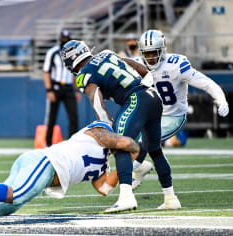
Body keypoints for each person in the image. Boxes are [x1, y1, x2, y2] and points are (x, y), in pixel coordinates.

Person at [60, 40, 180, 212]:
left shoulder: (84, 74)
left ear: (72, 60)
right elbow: (140, 68)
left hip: (136, 98)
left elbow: (97, 102)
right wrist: (145, 88)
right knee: (155, 150)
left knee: (120, 146)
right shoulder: (106, 54)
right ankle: (170, 198)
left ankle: (126, 197)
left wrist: (107, 127)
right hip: (153, 97)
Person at [0, 120, 140, 217]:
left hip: (43, 168)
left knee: (2, 209)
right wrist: (137, 151)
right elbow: (127, 144)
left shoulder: (103, 164)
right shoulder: (98, 132)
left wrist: (128, 170)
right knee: (17, 195)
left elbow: (104, 188)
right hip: (46, 162)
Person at [131, 29, 229, 189]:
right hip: (149, 116)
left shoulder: (177, 65)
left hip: (172, 116)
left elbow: (206, 83)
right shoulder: (136, 65)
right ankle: (144, 172)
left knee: (145, 142)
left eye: (154, 53)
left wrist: (220, 99)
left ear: (162, 50)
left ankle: (126, 176)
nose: (150, 58)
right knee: (128, 140)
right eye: (146, 54)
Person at [43, 29, 81, 147]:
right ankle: (48, 144)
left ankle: (72, 144)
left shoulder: (73, 54)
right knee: (52, 117)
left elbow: (74, 73)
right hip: (55, 87)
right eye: (63, 40)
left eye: (67, 40)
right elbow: (46, 72)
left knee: (73, 116)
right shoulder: (52, 52)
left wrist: (77, 90)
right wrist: (49, 90)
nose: (65, 42)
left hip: (68, 88)